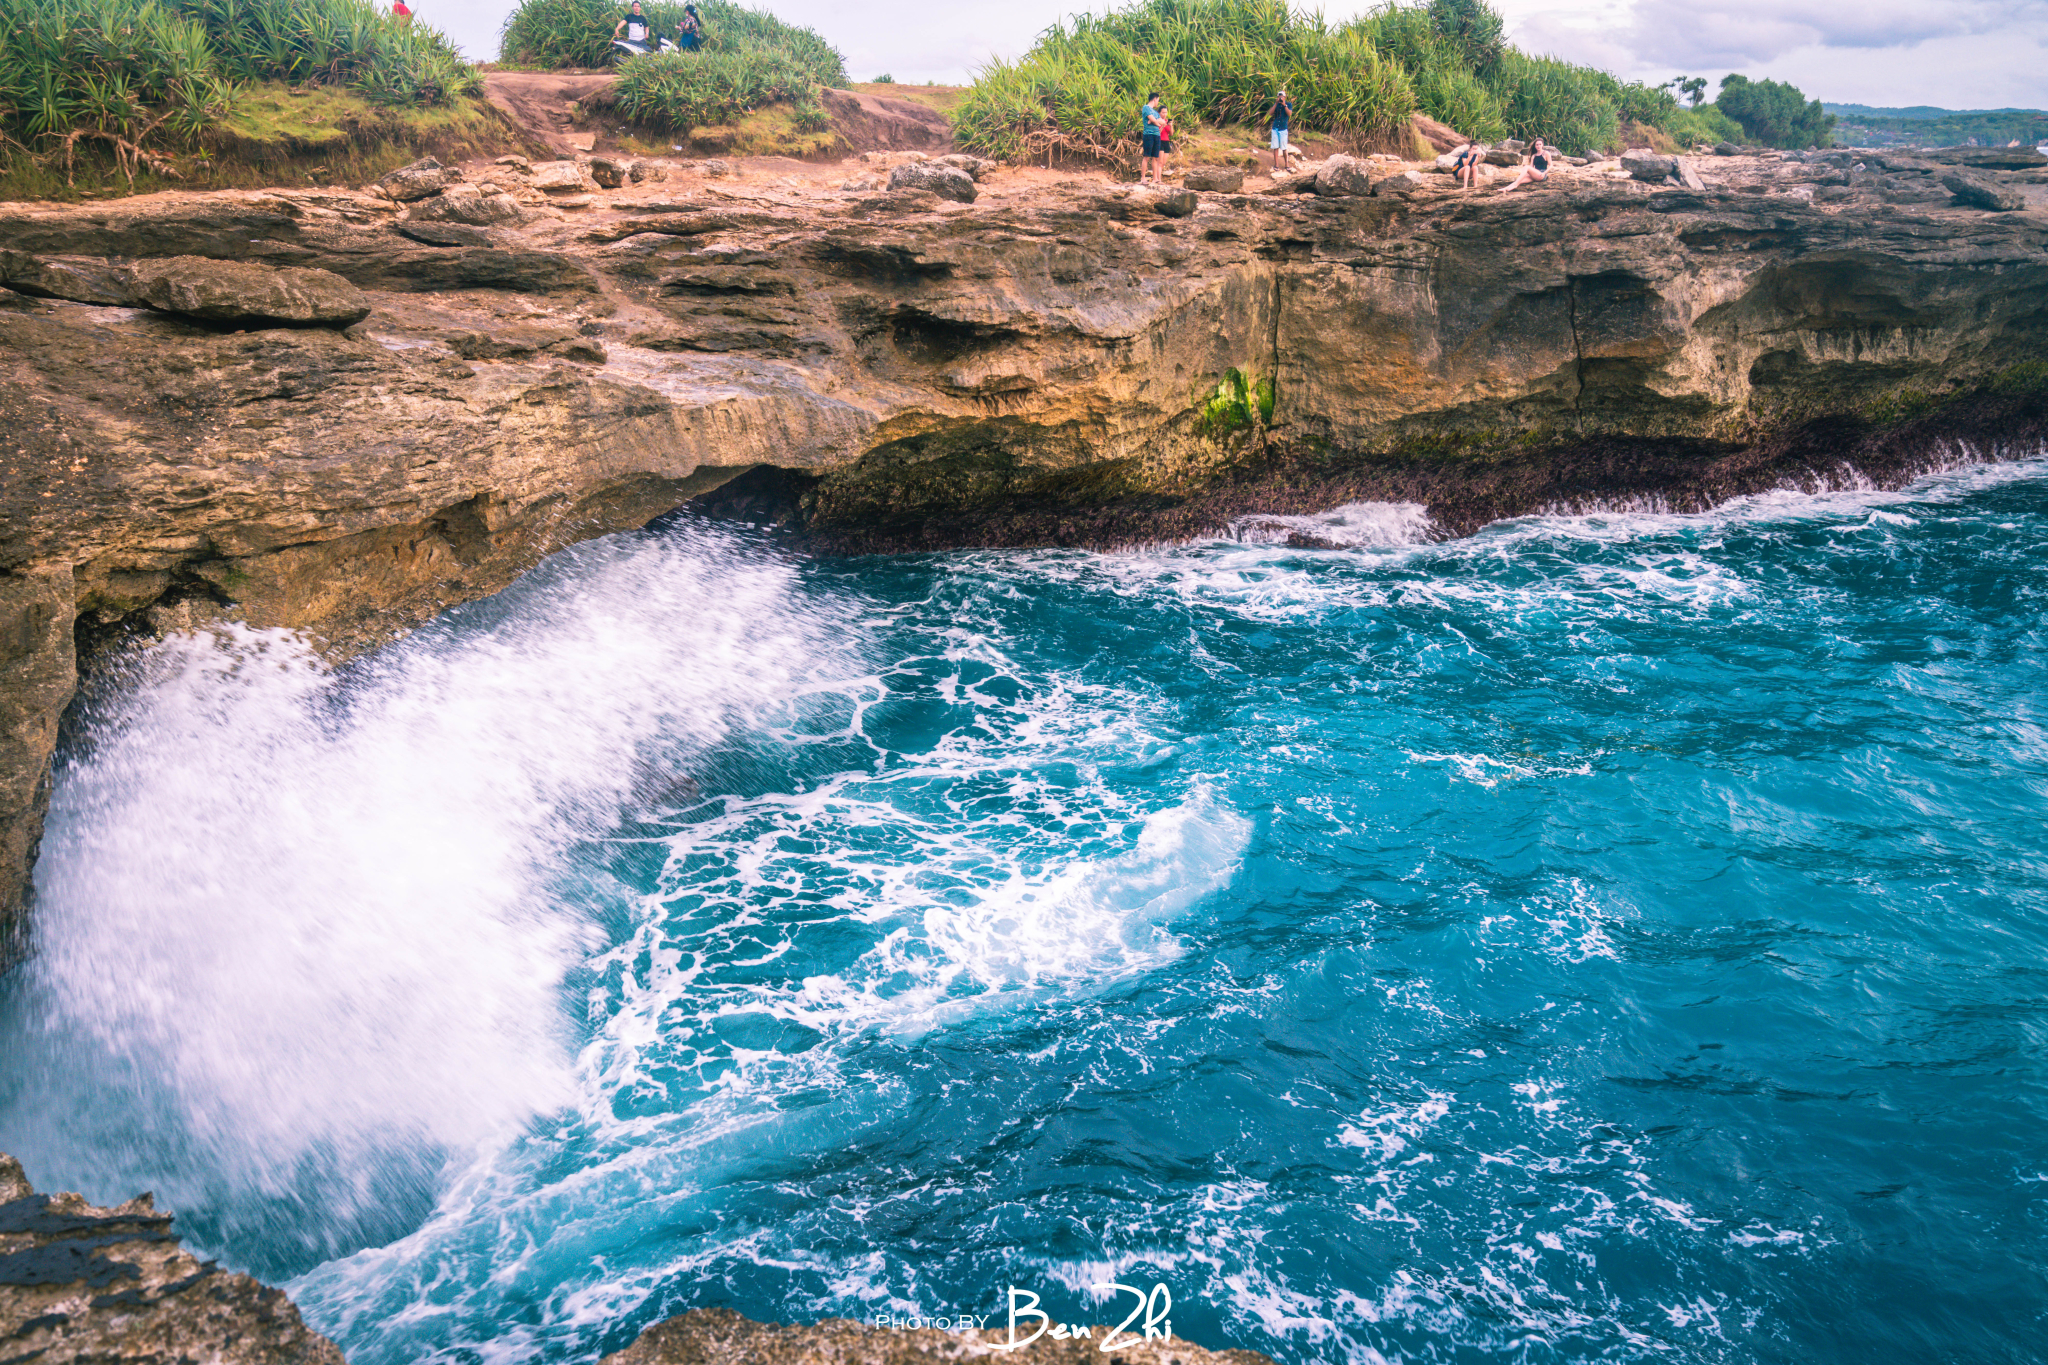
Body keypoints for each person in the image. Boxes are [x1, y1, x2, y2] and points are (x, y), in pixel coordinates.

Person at [1267, 88, 1296, 174]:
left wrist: (1284, 105)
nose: (1280, 98)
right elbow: (1270, 113)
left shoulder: (1288, 104)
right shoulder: (1276, 105)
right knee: (1275, 147)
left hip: (1283, 128)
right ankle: (1276, 165)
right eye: (1279, 96)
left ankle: (1286, 165)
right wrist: (1276, 104)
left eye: (1282, 96)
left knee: (1284, 148)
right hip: (1275, 127)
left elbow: (1289, 114)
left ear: (1285, 97)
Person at [1139, 91, 1165, 185]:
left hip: (1157, 135)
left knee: (1155, 157)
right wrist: (1154, 121)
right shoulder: (1146, 108)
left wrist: (1154, 121)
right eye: (1158, 100)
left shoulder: (1155, 112)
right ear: (1154, 99)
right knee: (1146, 156)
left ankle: (1155, 179)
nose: (1158, 102)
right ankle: (1143, 178)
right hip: (1148, 134)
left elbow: (1160, 122)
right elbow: (1154, 120)